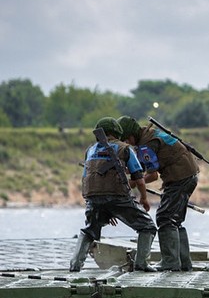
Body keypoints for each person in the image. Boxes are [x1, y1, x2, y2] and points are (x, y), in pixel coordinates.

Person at [70, 117, 157, 272]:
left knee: (89, 230)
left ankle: (75, 265)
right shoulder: (125, 149)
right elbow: (139, 178)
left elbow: (86, 177)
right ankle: (141, 264)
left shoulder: (90, 150)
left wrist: (105, 209)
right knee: (148, 227)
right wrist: (143, 198)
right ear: (117, 132)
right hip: (118, 197)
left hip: (92, 198)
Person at [118, 116, 199, 271]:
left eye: (126, 140)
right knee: (175, 220)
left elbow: (153, 175)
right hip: (189, 173)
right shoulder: (150, 133)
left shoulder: (145, 146)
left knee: (165, 217)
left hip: (180, 177)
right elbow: (147, 165)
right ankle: (183, 262)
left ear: (131, 136)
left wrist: (134, 182)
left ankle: (170, 262)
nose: (127, 144)